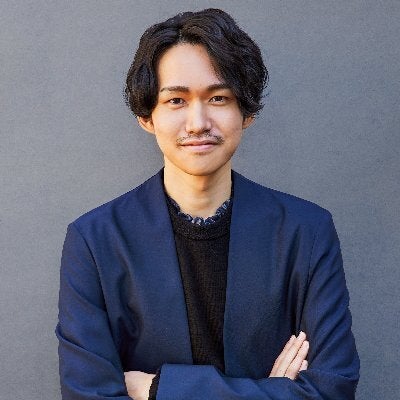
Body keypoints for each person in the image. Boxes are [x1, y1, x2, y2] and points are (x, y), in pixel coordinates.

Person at [56, 8, 359, 400]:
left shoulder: (307, 231)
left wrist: (158, 388)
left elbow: (331, 390)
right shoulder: (94, 241)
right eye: (176, 100)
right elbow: (87, 394)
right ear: (147, 117)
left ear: (246, 112)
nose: (198, 122)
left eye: (218, 98)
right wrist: (271, 392)